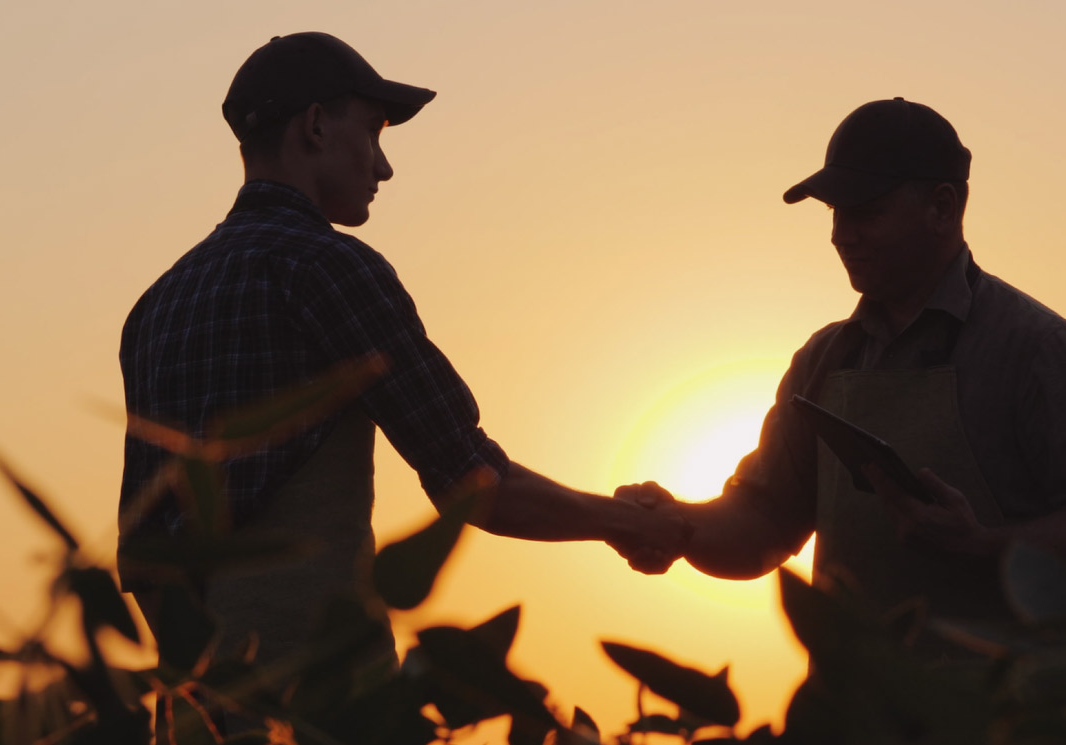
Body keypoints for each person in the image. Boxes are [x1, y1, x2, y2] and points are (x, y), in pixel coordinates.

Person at [117, 32, 684, 676]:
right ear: (316, 126)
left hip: (196, 712)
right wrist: (627, 523)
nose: (383, 167)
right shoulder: (329, 269)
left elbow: (141, 557)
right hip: (323, 705)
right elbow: (472, 481)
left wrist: (206, 683)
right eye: (375, 133)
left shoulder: (155, 307)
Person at [616, 98, 1066, 643]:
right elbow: (761, 529)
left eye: (864, 210)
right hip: (854, 713)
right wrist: (673, 525)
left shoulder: (1038, 348)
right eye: (834, 213)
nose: (840, 235)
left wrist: (980, 543)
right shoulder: (821, 361)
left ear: (942, 207)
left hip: (1005, 719)